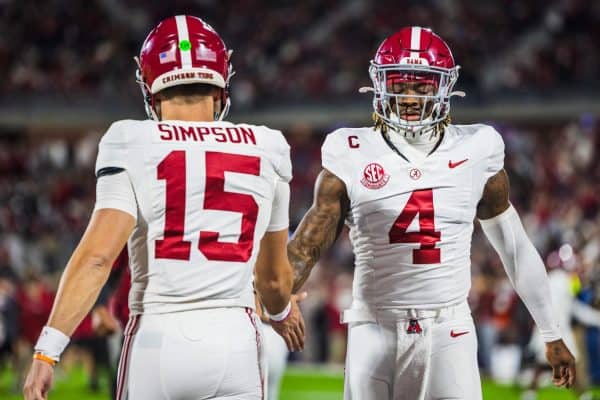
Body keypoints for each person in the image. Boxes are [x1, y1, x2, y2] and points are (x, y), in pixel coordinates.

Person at [23, 15, 304, 400]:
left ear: (151, 89)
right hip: (235, 340)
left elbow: (97, 259)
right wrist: (281, 312)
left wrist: (47, 351)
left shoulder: (130, 140)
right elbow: (273, 281)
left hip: (157, 340)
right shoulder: (268, 145)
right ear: (222, 87)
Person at [287, 26, 575, 400]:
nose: (408, 97)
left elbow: (514, 248)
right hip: (374, 327)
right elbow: (308, 243)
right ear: (379, 85)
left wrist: (551, 332)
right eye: (399, 84)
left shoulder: (477, 148)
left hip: (448, 328)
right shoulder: (350, 149)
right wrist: (277, 297)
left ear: (444, 88)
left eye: (421, 86)